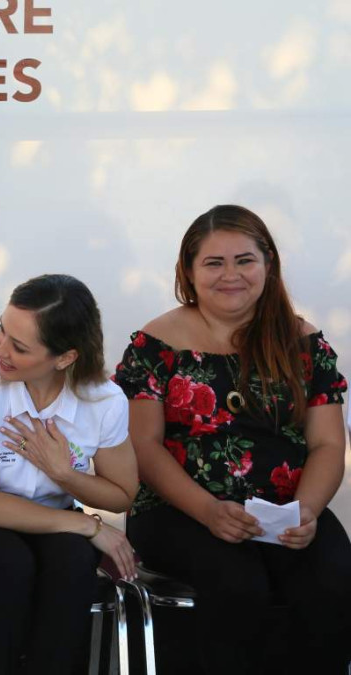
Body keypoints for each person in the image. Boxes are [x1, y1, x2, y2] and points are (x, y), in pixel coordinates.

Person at [113, 204, 351, 674]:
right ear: (189, 270)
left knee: (334, 578)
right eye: (214, 263)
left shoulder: (305, 343)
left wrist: (305, 511)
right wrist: (208, 510)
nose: (231, 275)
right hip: (179, 511)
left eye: (244, 260)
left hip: (286, 510)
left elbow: (328, 444)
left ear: (268, 264)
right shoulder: (155, 345)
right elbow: (143, 446)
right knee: (238, 584)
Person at [0, 274, 138, 675]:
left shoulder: (105, 400)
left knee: (72, 562)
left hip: (51, 518)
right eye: (3, 330)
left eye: (18, 347)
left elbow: (121, 494)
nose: (0, 349)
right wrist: (86, 525)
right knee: (9, 561)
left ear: (65, 357)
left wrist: (63, 473)